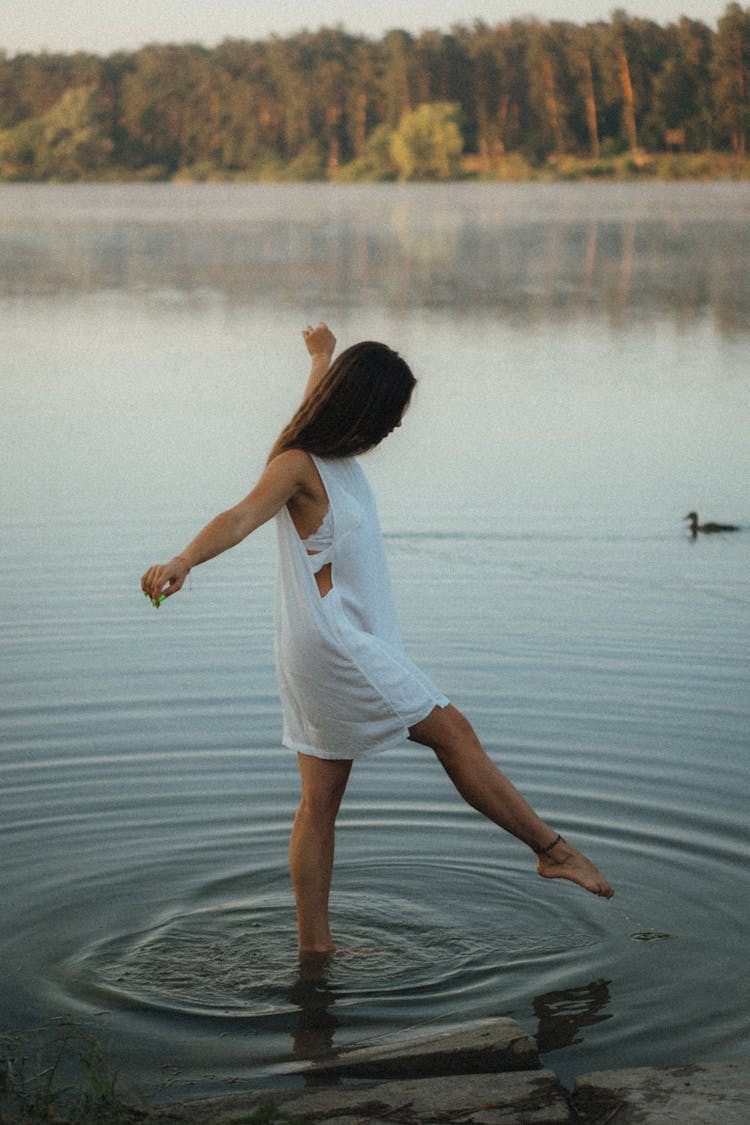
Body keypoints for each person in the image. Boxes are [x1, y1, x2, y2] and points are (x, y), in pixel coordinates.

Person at [141, 323, 614, 956]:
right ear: (361, 406)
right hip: (335, 644)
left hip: (338, 641)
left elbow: (306, 415)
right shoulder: (295, 465)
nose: (393, 428)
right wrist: (184, 560)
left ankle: (316, 949)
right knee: (455, 734)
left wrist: (319, 356)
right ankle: (552, 851)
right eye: (389, 414)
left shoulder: (322, 451)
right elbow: (240, 516)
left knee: (319, 805)